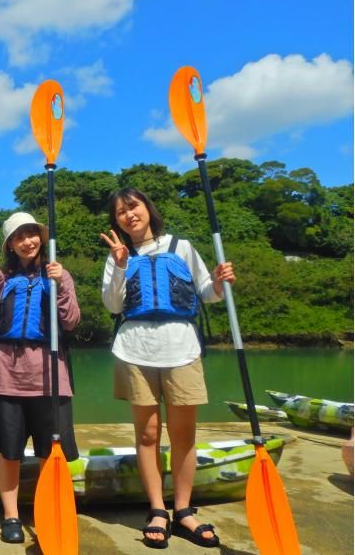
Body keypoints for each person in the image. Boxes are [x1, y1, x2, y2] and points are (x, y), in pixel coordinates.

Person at [100, 188, 235, 549]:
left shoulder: (182, 247)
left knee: (183, 435)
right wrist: (120, 264)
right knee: (147, 435)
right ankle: (157, 509)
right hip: (135, 349)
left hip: (181, 348)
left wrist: (220, 281)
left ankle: (184, 510)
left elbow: (207, 291)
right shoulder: (119, 256)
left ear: (147, 208)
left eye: (133, 207)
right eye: (120, 212)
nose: (129, 215)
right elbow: (113, 305)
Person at [0, 212, 80, 544]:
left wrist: (62, 281)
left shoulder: (57, 275)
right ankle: (11, 515)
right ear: (11, 245)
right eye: (19, 237)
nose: (27, 241)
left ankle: (49, 508)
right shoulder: (3, 280)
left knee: (51, 450)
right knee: (8, 451)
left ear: (41, 237)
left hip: (50, 374)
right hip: (7, 373)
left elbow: (71, 321)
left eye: (32, 234)